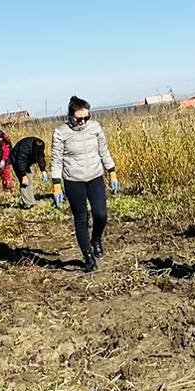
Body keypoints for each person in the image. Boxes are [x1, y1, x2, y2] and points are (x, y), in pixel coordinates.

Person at [50, 97, 116, 271]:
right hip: (73, 180)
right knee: (81, 219)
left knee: (101, 214)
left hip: (95, 176)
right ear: (71, 116)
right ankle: (88, 256)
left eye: (86, 117)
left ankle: (96, 240)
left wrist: (112, 171)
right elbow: (56, 160)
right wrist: (56, 183)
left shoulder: (95, 127)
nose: (83, 122)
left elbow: (104, 150)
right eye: (79, 119)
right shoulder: (60, 133)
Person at [9, 135, 48, 208]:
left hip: (25, 162)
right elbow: (20, 161)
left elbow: (41, 158)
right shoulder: (25, 148)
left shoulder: (39, 146)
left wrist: (43, 170)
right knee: (24, 182)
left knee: (30, 178)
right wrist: (23, 175)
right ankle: (27, 204)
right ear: (34, 148)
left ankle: (32, 201)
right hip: (16, 160)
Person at [0, 130, 17, 196]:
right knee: (2, 176)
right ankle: (6, 190)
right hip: (2, 162)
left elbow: (6, 152)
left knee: (6, 176)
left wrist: (3, 160)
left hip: (6, 163)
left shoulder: (5, 143)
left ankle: (10, 191)